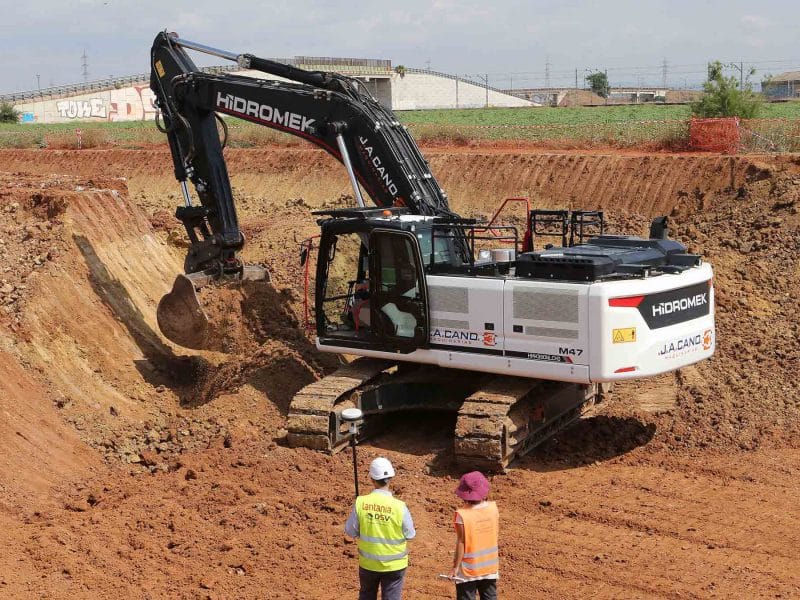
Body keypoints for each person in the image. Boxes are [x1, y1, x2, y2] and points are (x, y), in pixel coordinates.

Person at [345, 457, 416, 600]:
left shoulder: (361, 502)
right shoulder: (400, 507)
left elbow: (350, 532)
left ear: (372, 479)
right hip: (395, 566)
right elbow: (410, 534)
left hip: (368, 564)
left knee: (366, 595)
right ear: (390, 478)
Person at [451, 471, 499, 600]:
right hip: (489, 567)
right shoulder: (493, 509)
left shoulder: (462, 515)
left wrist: (455, 567)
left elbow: (461, 542)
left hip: (468, 570)